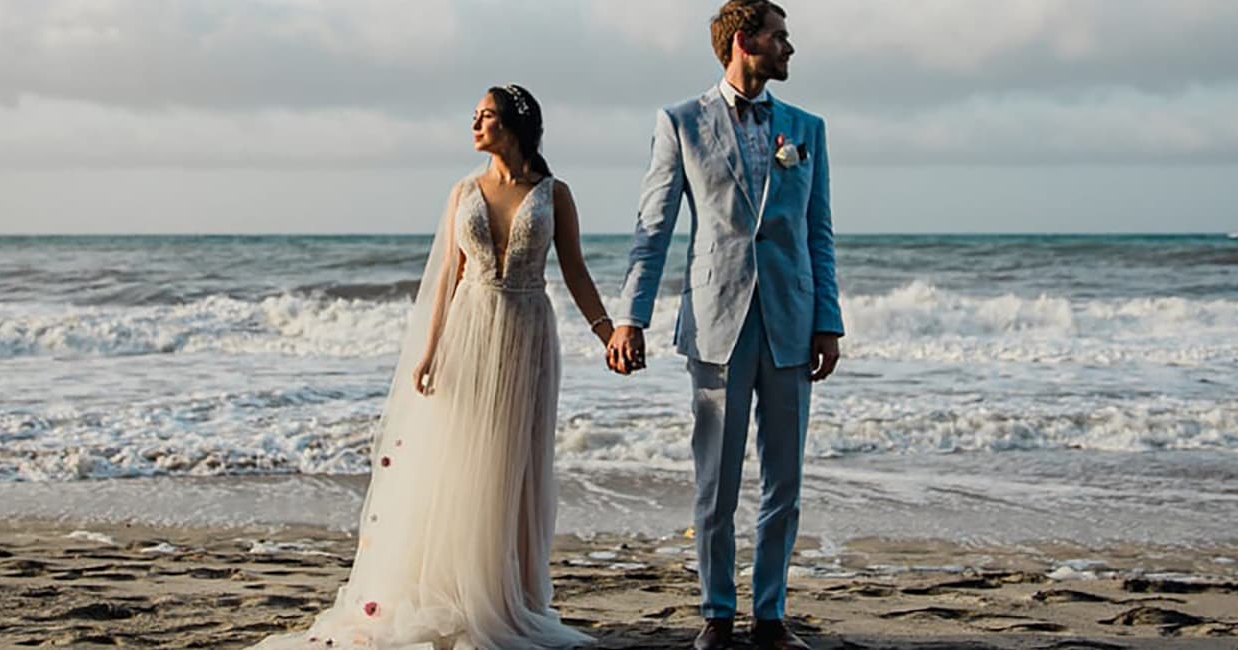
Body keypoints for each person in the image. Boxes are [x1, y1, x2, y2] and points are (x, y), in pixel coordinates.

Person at [251, 83, 606, 650]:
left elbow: (577, 271)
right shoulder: (462, 190)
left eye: (485, 116)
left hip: (527, 334)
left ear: (514, 124)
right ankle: (455, 589)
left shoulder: (554, 193)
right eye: (474, 116)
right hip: (468, 330)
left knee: (512, 467)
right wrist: (430, 348)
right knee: (462, 459)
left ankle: (507, 591)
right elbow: (446, 277)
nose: (475, 124)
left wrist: (606, 330)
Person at [604, 2, 842, 649]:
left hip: (791, 323)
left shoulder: (807, 130)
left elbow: (818, 233)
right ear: (745, 42)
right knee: (716, 479)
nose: (789, 48)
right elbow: (652, 229)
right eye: (779, 36)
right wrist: (631, 317)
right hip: (716, 325)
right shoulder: (680, 122)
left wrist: (829, 321)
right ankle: (716, 611)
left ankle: (770, 615)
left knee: (784, 481)